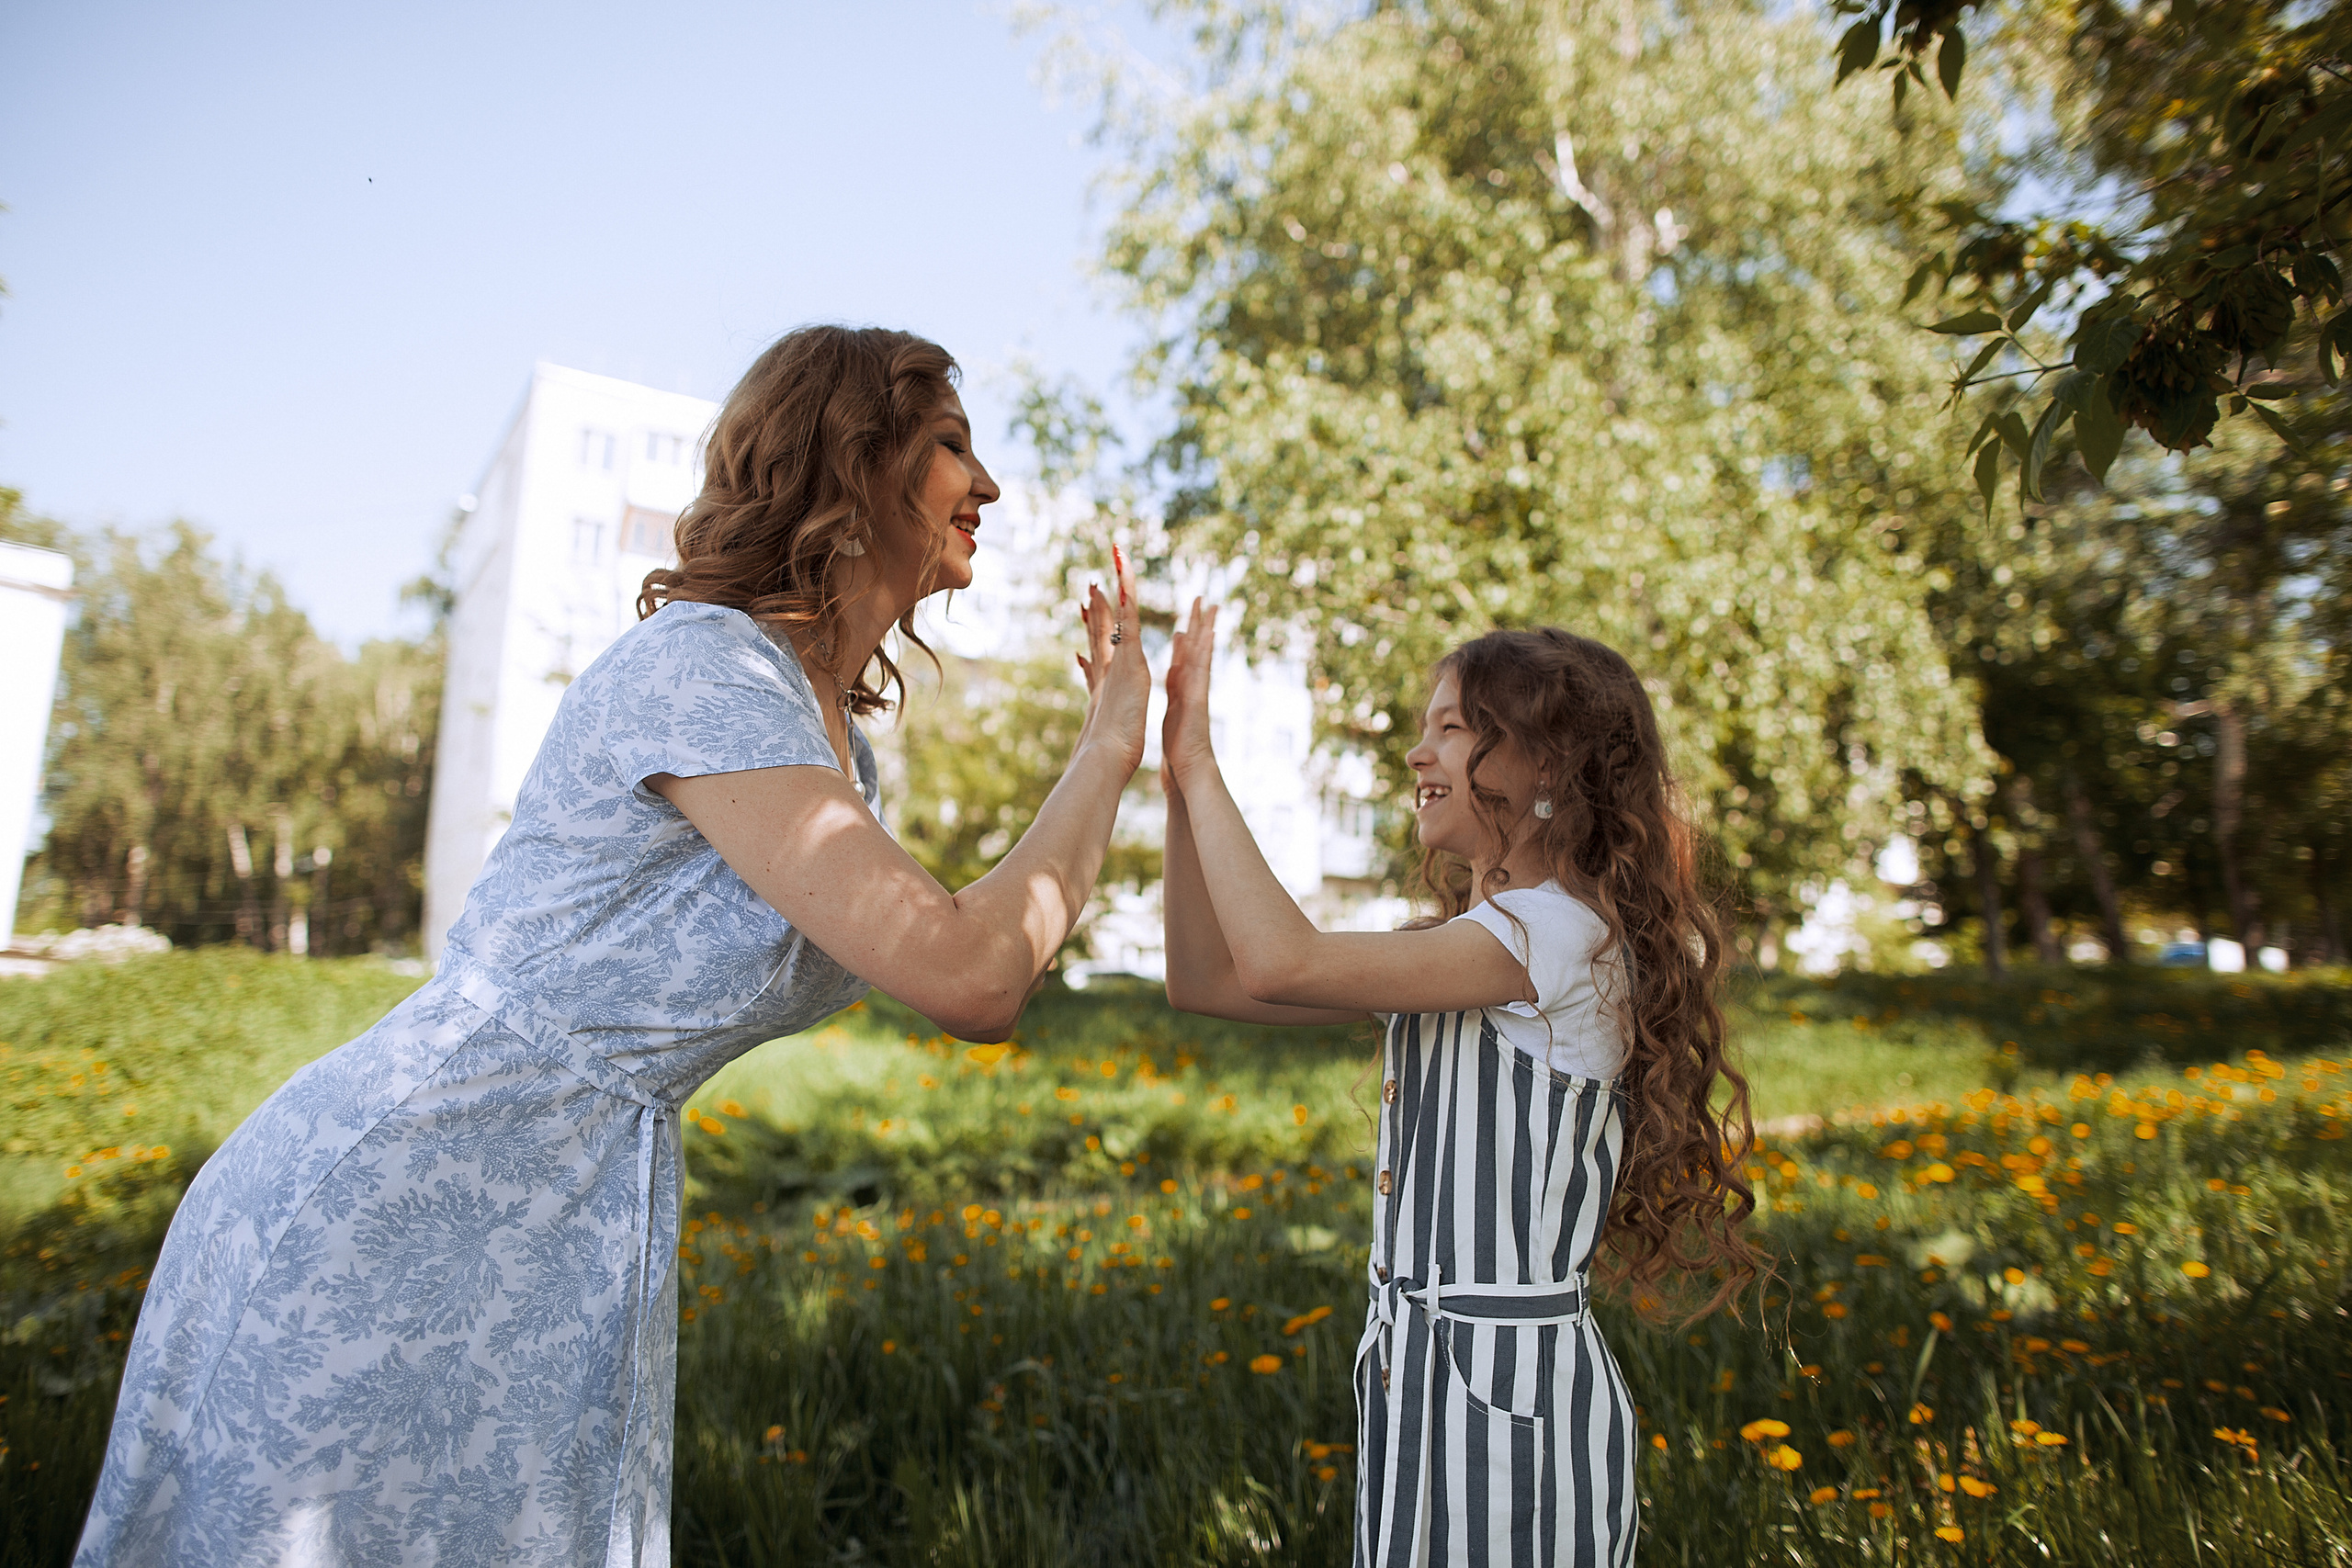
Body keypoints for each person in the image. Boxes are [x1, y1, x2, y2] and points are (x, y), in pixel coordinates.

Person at [74, 325, 1149, 1568]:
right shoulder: (707, 671)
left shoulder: (834, 745)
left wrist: (1107, 753)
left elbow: (969, 948)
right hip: (400, 1199)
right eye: (953, 442)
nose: (990, 483)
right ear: (854, 466)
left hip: (562, 1214)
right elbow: (971, 969)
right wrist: (1107, 749)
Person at [1159, 607, 1760, 1566]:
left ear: (1548, 764)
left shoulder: (1558, 935)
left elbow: (1280, 962)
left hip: (1508, 1411)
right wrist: (1180, 797)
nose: (1415, 753)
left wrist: (1201, 763)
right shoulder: (1468, 949)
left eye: (1451, 726)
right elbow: (1206, 981)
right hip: (1419, 1392)